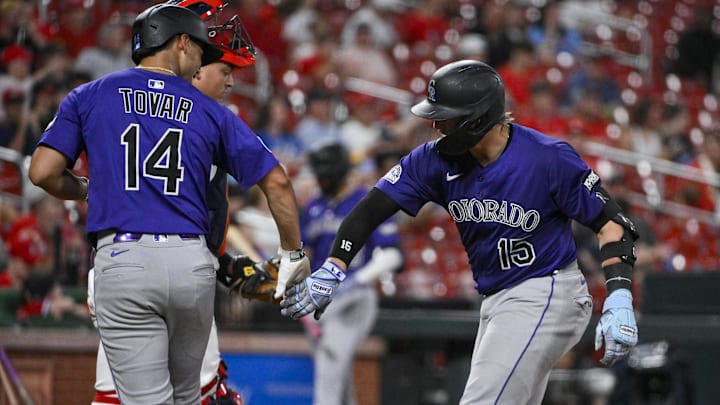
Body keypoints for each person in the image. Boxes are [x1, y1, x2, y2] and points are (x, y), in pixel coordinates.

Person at [281, 60, 640, 404]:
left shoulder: (547, 158)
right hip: (498, 298)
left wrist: (619, 295)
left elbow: (612, 224)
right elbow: (370, 210)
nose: (436, 127)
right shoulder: (433, 159)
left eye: (446, 119)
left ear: (477, 119)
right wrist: (334, 267)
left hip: (546, 290)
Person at [28, 4, 309, 404]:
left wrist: (87, 189)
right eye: (200, 51)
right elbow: (277, 180)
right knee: (188, 398)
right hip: (190, 264)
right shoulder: (210, 111)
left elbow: (41, 173)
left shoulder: (91, 94)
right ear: (180, 43)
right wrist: (293, 252)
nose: (202, 60)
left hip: (122, 258)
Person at [87, 3, 262, 404]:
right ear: (190, 58)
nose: (231, 82)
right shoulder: (202, 120)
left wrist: (228, 267)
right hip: (152, 273)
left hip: (130, 271)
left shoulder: (133, 106)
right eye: (224, 70)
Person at [300, 142, 403, 405]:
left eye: (326, 174)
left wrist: (355, 281)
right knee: (336, 378)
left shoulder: (365, 202)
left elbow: (392, 255)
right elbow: (304, 253)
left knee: (329, 372)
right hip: (321, 299)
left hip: (354, 296)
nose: (321, 179)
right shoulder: (314, 206)